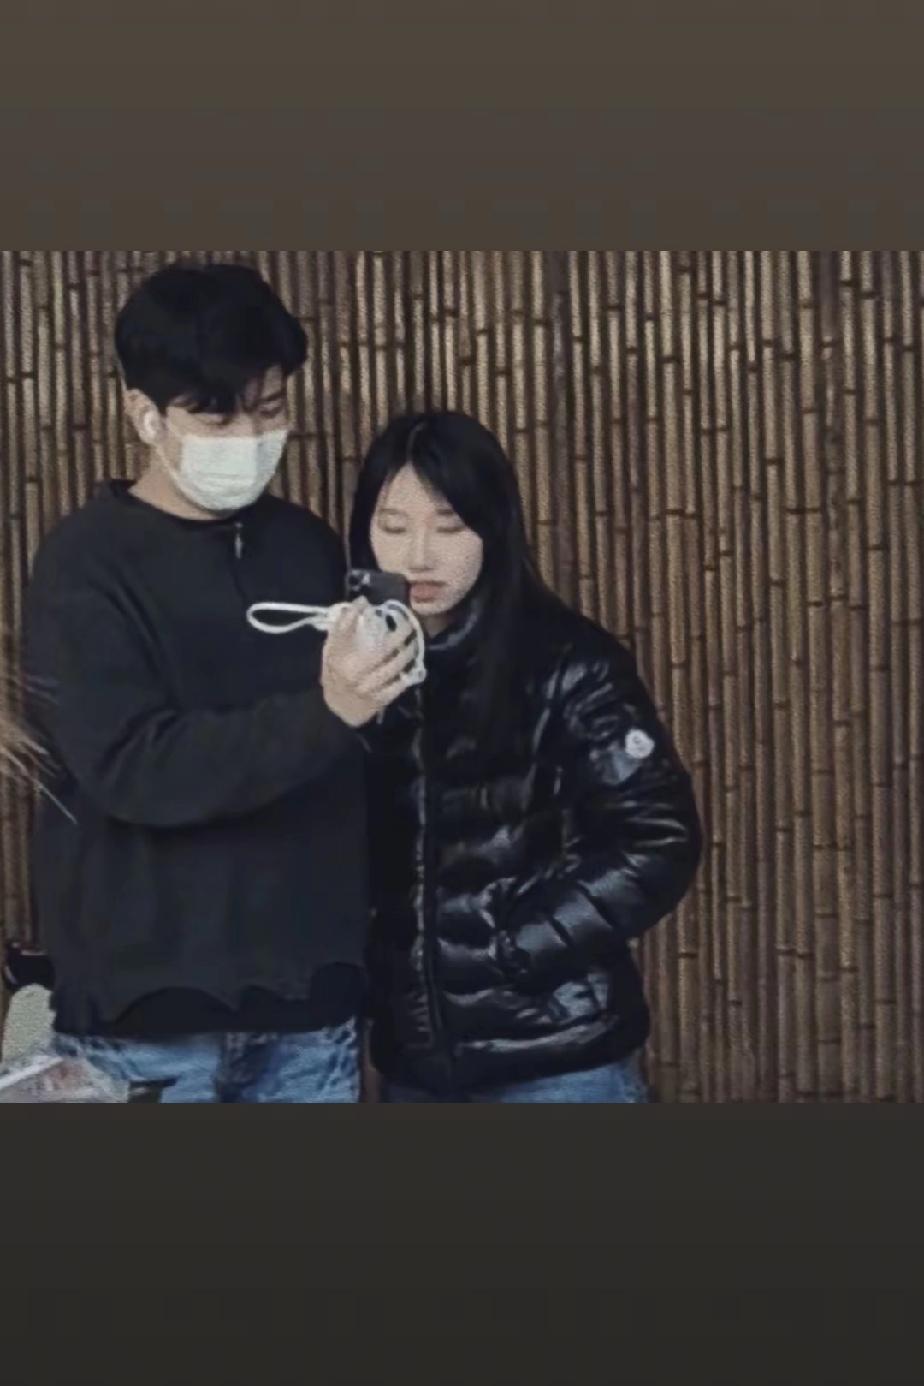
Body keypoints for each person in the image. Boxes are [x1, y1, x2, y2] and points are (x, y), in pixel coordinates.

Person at [21, 260, 410, 1102]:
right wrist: (328, 712)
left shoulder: (307, 547)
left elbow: (359, 764)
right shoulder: (83, 566)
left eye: (269, 409)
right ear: (144, 414)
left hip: (312, 1006)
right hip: (147, 1021)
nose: (248, 436)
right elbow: (132, 765)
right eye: (216, 413)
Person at [348, 410, 703, 1102]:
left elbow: (660, 838)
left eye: (450, 527)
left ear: (494, 528)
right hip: (417, 1065)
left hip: (559, 1060)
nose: (419, 556)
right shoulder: (354, 669)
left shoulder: (570, 663)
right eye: (393, 526)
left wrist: (518, 948)